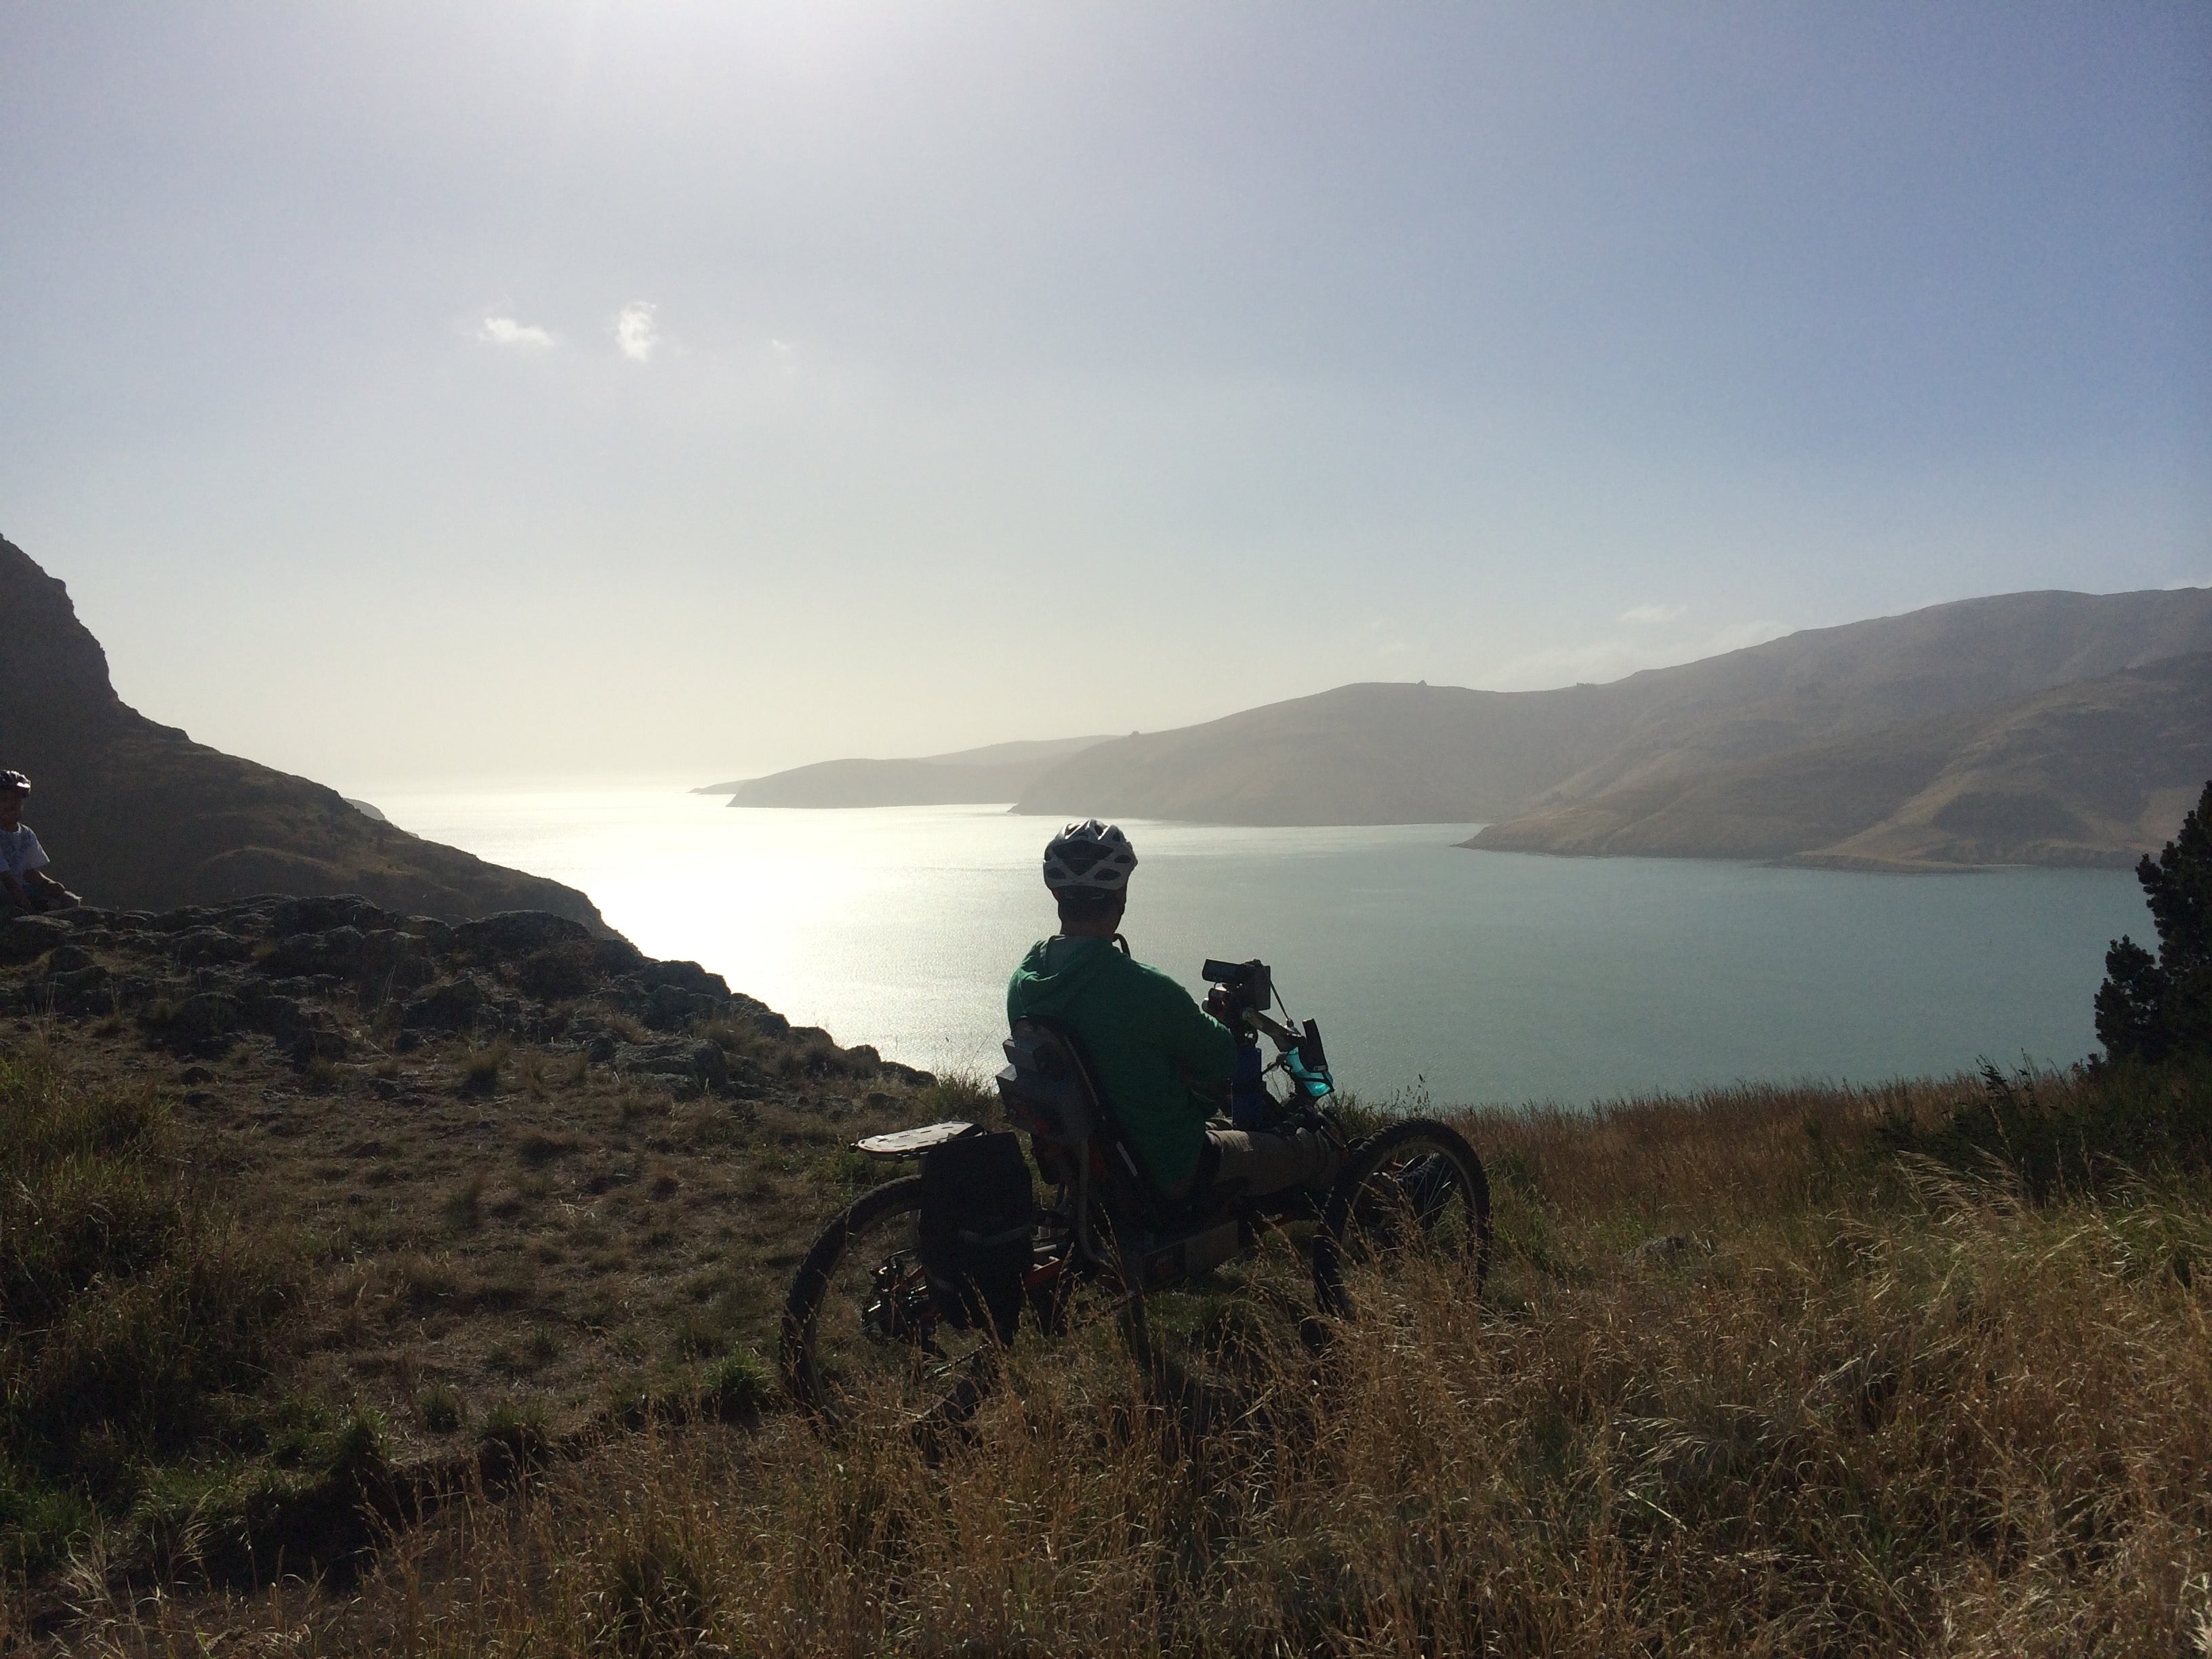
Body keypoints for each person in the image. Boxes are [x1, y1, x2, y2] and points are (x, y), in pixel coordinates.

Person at [1006, 819, 1339, 1200]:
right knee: (1313, 1146)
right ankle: (1383, 1219)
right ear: (1121, 892)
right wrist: (1221, 1023)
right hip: (1170, 1168)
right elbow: (1221, 1062)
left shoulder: (1023, 982)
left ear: (1057, 895)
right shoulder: (1144, 988)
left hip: (1093, 1167)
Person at [0, 771, 81, 915]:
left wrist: (49, 884)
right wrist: (28, 908)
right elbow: (7, 879)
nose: (13, 804)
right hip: (7, 892)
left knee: (70, 901)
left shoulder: (26, 834)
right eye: (5, 800)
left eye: (17, 799)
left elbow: (29, 872)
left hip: (22, 890)